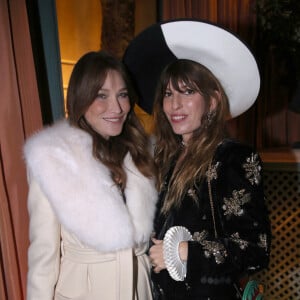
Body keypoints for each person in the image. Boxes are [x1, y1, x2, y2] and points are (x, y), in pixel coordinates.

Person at [123, 20, 271, 300]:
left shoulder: (233, 158)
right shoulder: (164, 156)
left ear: (213, 101)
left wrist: (183, 252)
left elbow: (255, 250)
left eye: (187, 92)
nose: (174, 105)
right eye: (168, 93)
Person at [24, 50, 157, 300]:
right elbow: (43, 258)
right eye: (101, 96)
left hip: (140, 290)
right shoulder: (53, 159)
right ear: (81, 99)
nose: (116, 108)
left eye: (123, 95)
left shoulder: (144, 153)